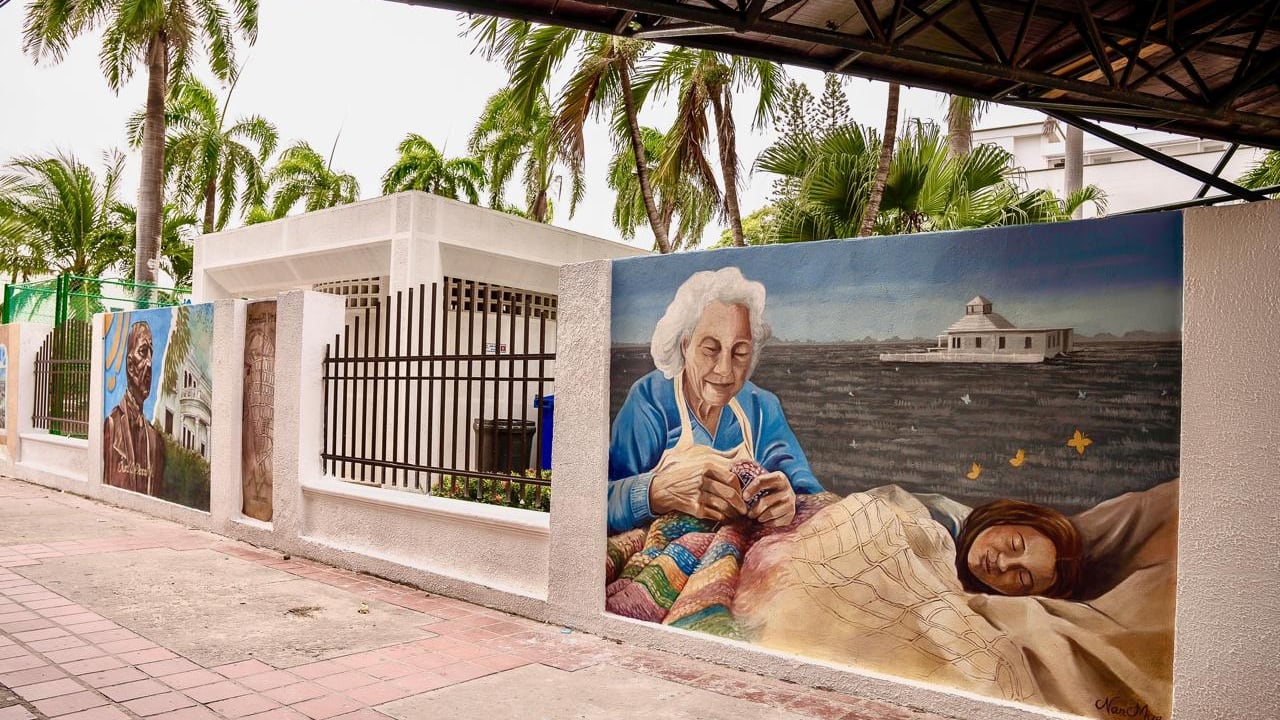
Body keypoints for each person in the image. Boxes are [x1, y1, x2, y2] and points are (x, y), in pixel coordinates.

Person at [608, 267, 824, 534]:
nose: (724, 369)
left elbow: (811, 494)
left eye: (740, 352)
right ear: (685, 346)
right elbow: (599, 501)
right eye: (711, 349)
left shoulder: (761, 408)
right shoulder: (650, 400)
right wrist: (658, 491)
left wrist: (791, 501)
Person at [954, 498, 1083, 599]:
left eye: (1022, 578)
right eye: (1014, 544)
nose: (1003, 564)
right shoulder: (942, 520)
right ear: (1009, 518)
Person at [103, 322, 165, 494]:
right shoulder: (112, 425)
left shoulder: (155, 440)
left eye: (151, 354)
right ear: (130, 366)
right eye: (143, 352)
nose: (150, 364)